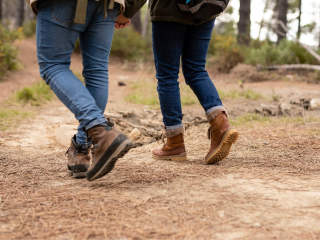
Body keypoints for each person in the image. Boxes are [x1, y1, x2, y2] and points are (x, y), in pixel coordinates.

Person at [25, 0, 146, 181]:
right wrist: (128, 9)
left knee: (53, 65)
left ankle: (102, 133)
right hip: (108, 4)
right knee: (96, 70)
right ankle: (82, 148)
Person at [149, 1, 239, 163]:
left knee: (167, 75)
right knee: (196, 69)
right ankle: (221, 123)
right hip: (205, 7)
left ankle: (175, 143)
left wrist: (127, 10)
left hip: (169, 10)